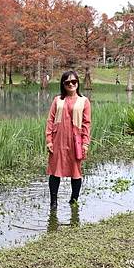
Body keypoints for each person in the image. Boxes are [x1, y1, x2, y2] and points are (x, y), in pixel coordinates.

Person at [45, 70, 91, 209]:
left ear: (78, 83)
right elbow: (50, 120)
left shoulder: (84, 101)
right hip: (58, 139)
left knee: (75, 170)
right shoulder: (57, 100)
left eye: (74, 81)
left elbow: (86, 123)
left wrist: (85, 143)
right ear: (63, 84)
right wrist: (49, 140)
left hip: (75, 141)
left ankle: (73, 200)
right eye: (67, 82)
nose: (71, 84)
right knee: (55, 170)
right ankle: (53, 202)